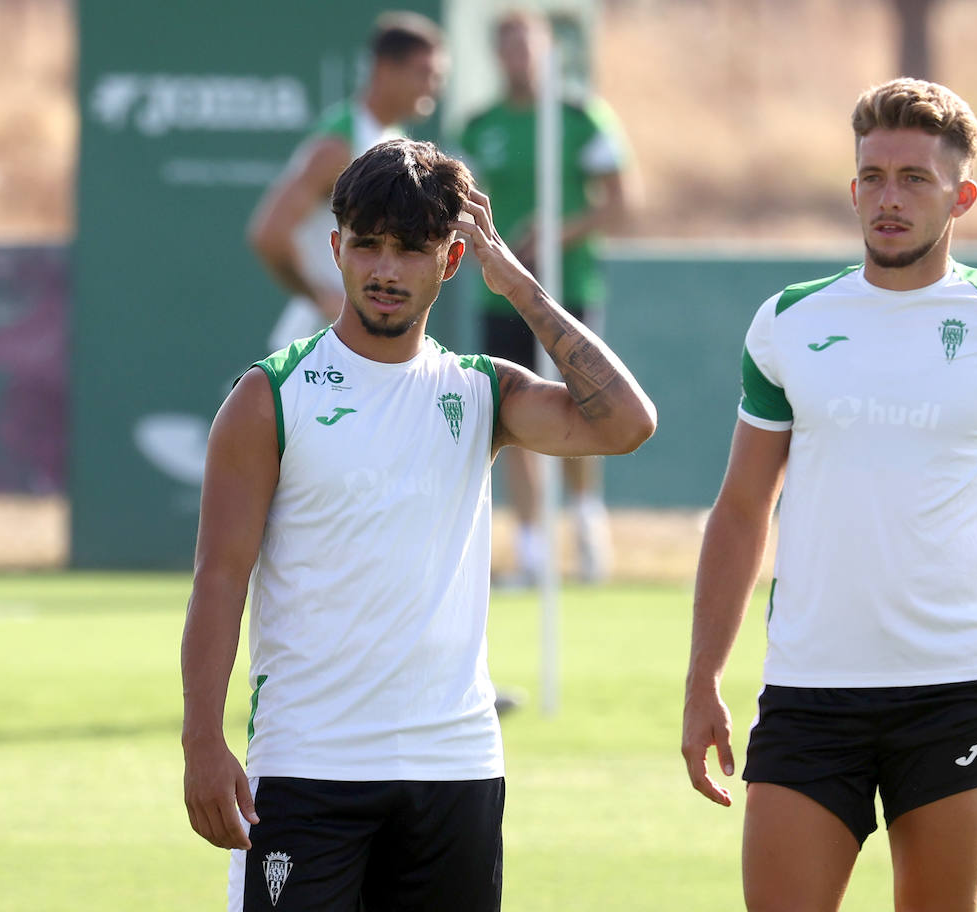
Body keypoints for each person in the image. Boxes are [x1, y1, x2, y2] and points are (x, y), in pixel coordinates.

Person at [680, 78, 977, 911]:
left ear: (960, 196)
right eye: (874, 176)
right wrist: (703, 675)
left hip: (953, 693)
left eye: (914, 178)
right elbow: (742, 507)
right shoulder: (787, 322)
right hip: (807, 696)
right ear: (853, 188)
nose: (889, 198)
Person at [182, 138, 656, 912]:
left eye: (410, 248)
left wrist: (524, 288)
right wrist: (202, 738)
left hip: (456, 767)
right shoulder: (269, 397)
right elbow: (219, 576)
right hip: (308, 767)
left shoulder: (480, 392)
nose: (384, 269)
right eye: (366, 245)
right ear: (336, 249)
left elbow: (627, 423)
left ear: (454, 258)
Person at [458, 10, 633, 584]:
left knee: (583, 400)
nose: (517, 55)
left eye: (525, 44)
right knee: (510, 408)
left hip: (569, 288)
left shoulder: (579, 118)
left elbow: (617, 202)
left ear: (545, 50)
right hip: (498, 294)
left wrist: (556, 234)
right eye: (505, 44)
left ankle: (585, 522)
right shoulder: (479, 125)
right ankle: (531, 545)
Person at [247, 11, 446, 352]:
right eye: (424, 73)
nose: (434, 86)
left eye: (438, 76)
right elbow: (269, 234)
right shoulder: (339, 145)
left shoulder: (391, 139)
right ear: (385, 70)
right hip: (319, 347)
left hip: (361, 341)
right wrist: (326, 298)